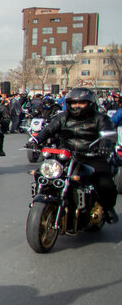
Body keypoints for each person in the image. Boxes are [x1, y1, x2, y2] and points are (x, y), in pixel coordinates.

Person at [30, 87, 117, 223]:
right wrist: (35, 140)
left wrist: (105, 145)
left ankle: (108, 208)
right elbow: (49, 129)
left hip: (92, 156)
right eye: (73, 103)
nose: (77, 106)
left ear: (90, 103)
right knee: (40, 173)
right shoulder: (62, 117)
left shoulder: (101, 119)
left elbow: (108, 135)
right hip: (66, 156)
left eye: (81, 103)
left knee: (105, 183)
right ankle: (45, 198)